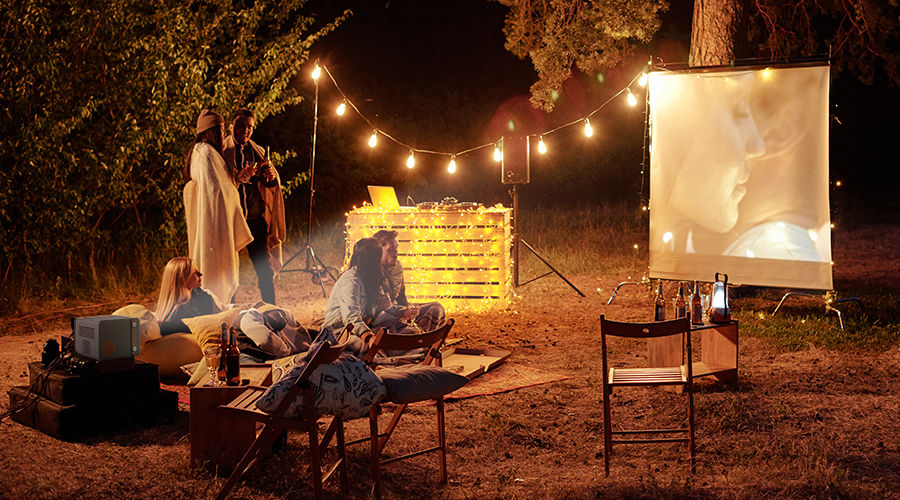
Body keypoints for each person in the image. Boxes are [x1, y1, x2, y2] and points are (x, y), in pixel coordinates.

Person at [183, 109, 252, 304]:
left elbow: (220, 187)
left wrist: (236, 179)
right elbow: (215, 193)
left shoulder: (207, 152)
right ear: (212, 131)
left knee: (221, 275)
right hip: (212, 225)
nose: (224, 135)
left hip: (215, 220)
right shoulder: (205, 152)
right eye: (221, 130)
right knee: (216, 272)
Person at [223, 108, 286, 305]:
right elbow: (218, 183)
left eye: (249, 126)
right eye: (241, 125)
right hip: (231, 219)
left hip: (254, 218)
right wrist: (236, 177)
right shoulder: (223, 151)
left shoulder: (256, 150)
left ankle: (271, 310)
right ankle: (229, 310)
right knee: (229, 270)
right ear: (232, 126)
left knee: (264, 269)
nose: (245, 130)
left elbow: (268, 185)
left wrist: (269, 177)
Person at [370, 229, 445, 333]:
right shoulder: (370, 271)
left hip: (399, 310)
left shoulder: (397, 267)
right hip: (384, 319)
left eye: (396, 248)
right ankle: (415, 339)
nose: (396, 253)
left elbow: (401, 296)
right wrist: (400, 312)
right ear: (378, 250)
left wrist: (408, 311)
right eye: (391, 250)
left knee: (436, 308)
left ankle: (420, 338)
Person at [322, 238, 386, 356]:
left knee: (399, 333)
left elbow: (373, 311)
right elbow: (350, 317)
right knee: (362, 346)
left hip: (361, 328)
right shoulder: (351, 281)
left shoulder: (371, 278)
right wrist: (369, 336)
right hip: (339, 332)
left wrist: (394, 309)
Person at [154, 256, 222, 330]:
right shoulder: (180, 314)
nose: (200, 274)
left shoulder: (200, 296)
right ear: (183, 278)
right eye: (195, 272)